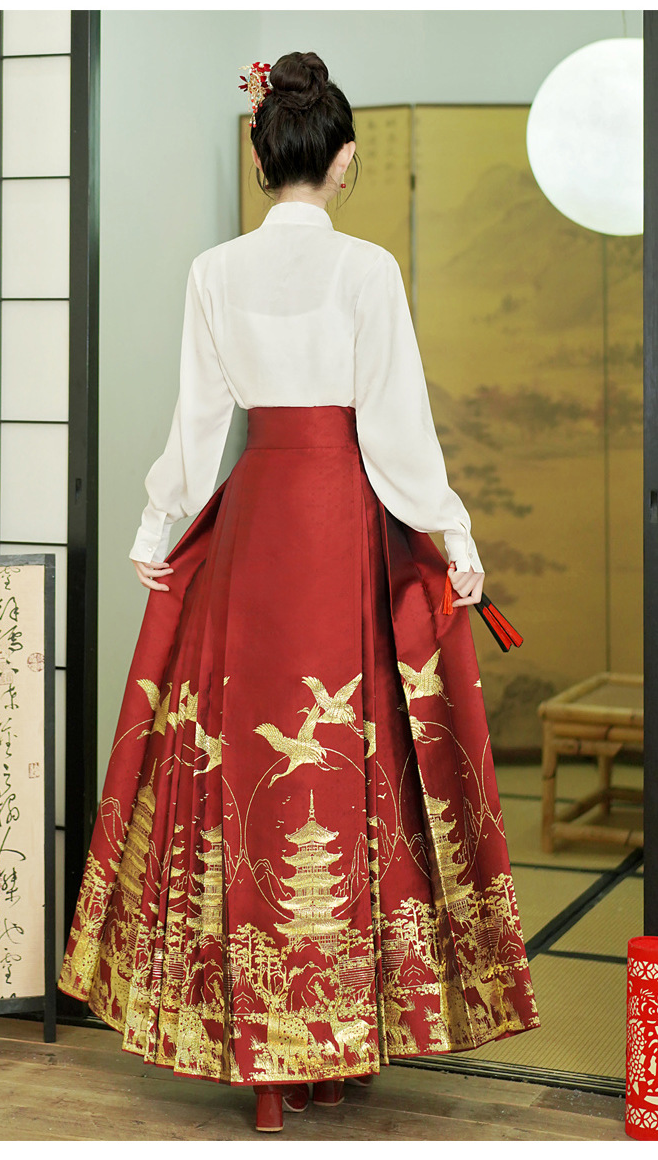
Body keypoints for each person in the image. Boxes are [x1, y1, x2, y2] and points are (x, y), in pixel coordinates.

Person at [57, 50, 540, 1134]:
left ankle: (263, 1066)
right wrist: (452, 529)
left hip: (257, 520)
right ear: (346, 159)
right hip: (342, 522)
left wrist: (155, 527)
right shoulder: (368, 270)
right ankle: (333, 1048)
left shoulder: (214, 272)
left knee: (247, 762)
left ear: (262, 152)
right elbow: (398, 428)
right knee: (349, 766)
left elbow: (197, 426)